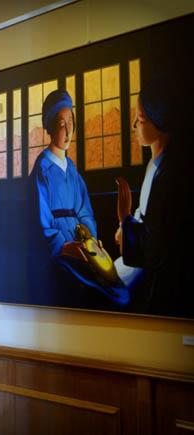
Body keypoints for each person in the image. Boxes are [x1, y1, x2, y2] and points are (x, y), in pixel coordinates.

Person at [28, 89, 127, 308]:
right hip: (58, 249)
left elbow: (84, 211)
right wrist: (62, 246)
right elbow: (40, 219)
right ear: (50, 127)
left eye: (70, 123)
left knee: (113, 286)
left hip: (82, 243)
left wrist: (91, 239)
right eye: (61, 124)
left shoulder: (72, 169)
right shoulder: (42, 168)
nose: (67, 130)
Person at [114, 81, 191, 316]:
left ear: (158, 121)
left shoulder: (167, 175)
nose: (134, 125)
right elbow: (146, 217)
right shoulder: (156, 165)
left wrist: (125, 218)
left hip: (158, 275)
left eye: (140, 119)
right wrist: (126, 227)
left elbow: (154, 245)